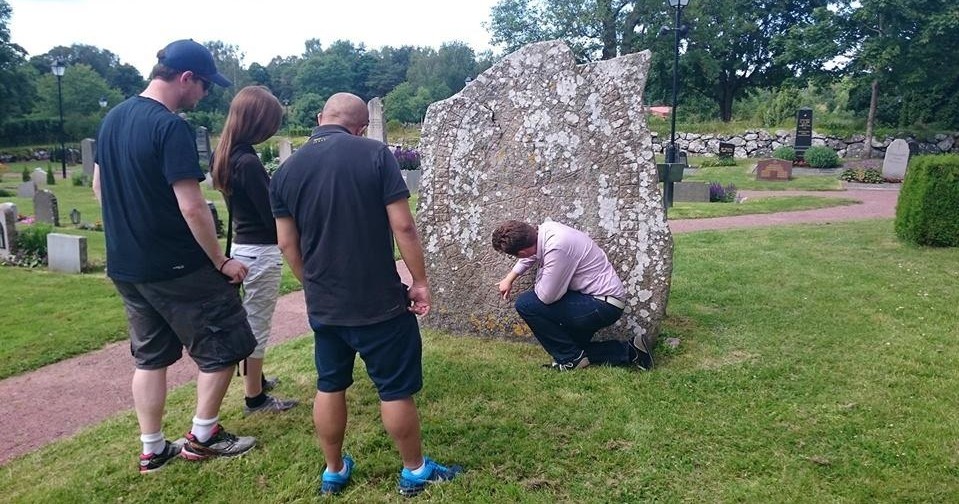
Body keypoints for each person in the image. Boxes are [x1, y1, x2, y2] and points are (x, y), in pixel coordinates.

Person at [270, 92, 462, 497]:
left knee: (330, 384)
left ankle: (334, 470)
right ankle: (414, 470)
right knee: (394, 388)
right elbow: (404, 227)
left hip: (326, 305)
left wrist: (311, 284)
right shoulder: (375, 155)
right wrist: (420, 280)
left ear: (321, 118)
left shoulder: (285, 172)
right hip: (380, 303)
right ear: (359, 127)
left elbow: (287, 244)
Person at [93, 39, 256, 474]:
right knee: (226, 343)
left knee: (150, 357)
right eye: (204, 86)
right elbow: (191, 204)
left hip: (128, 267)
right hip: (177, 265)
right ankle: (203, 436)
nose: (204, 95)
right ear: (186, 79)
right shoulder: (170, 128)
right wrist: (220, 262)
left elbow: (99, 188)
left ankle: (152, 448)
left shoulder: (113, 120)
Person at [210, 86, 298, 416]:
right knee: (257, 321)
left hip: (241, 246)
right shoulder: (247, 161)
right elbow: (271, 212)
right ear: (258, 121)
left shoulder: (225, 153)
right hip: (261, 250)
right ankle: (255, 398)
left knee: (250, 318)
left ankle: (255, 378)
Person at [491, 219, 654, 372]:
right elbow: (532, 253)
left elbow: (547, 297)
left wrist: (541, 274)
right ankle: (632, 350)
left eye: (516, 255)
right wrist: (510, 277)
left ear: (522, 251)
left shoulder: (557, 246)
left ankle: (571, 358)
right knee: (572, 347)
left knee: (526, 303)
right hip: (600, 301)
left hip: (602, 306)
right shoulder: (545, 230)